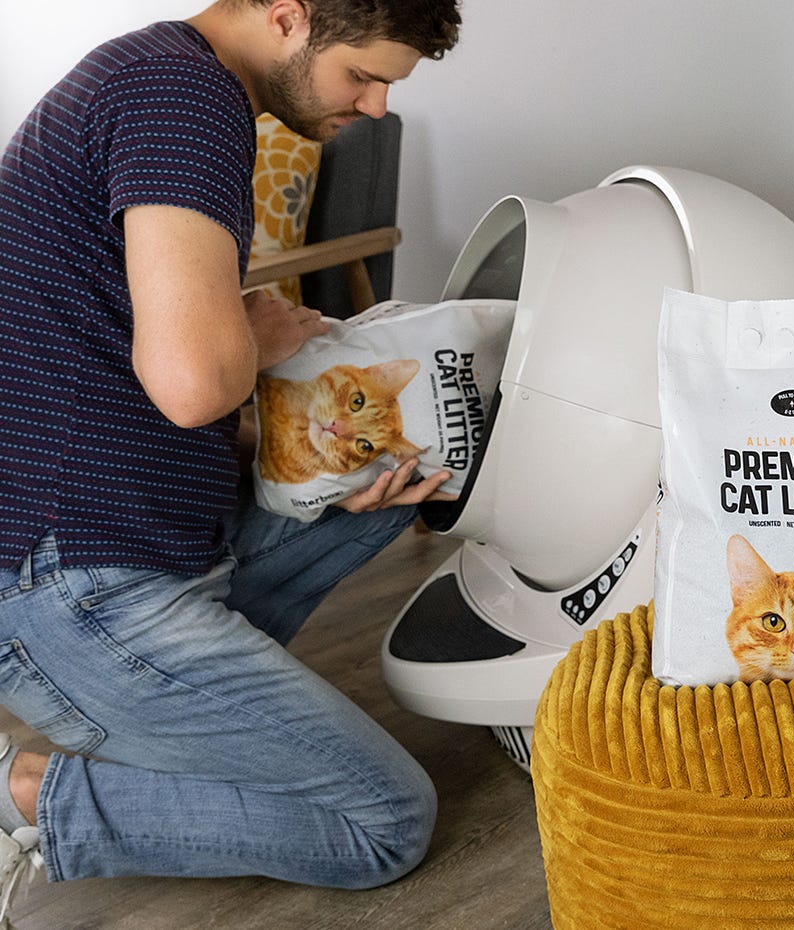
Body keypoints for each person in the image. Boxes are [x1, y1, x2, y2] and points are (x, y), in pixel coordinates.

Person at [0, 0, 462, 914]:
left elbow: (122, 372)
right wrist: (259, 333)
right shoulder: (180, 96)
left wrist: (315, 463)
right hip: (68, 579)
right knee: (385, 822)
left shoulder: (160, 79)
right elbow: (193, 383)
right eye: (362, 75)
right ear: (289, 16)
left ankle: (158, 718)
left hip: (129, 537)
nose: (374, 108)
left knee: (393, 477)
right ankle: (22, 793)